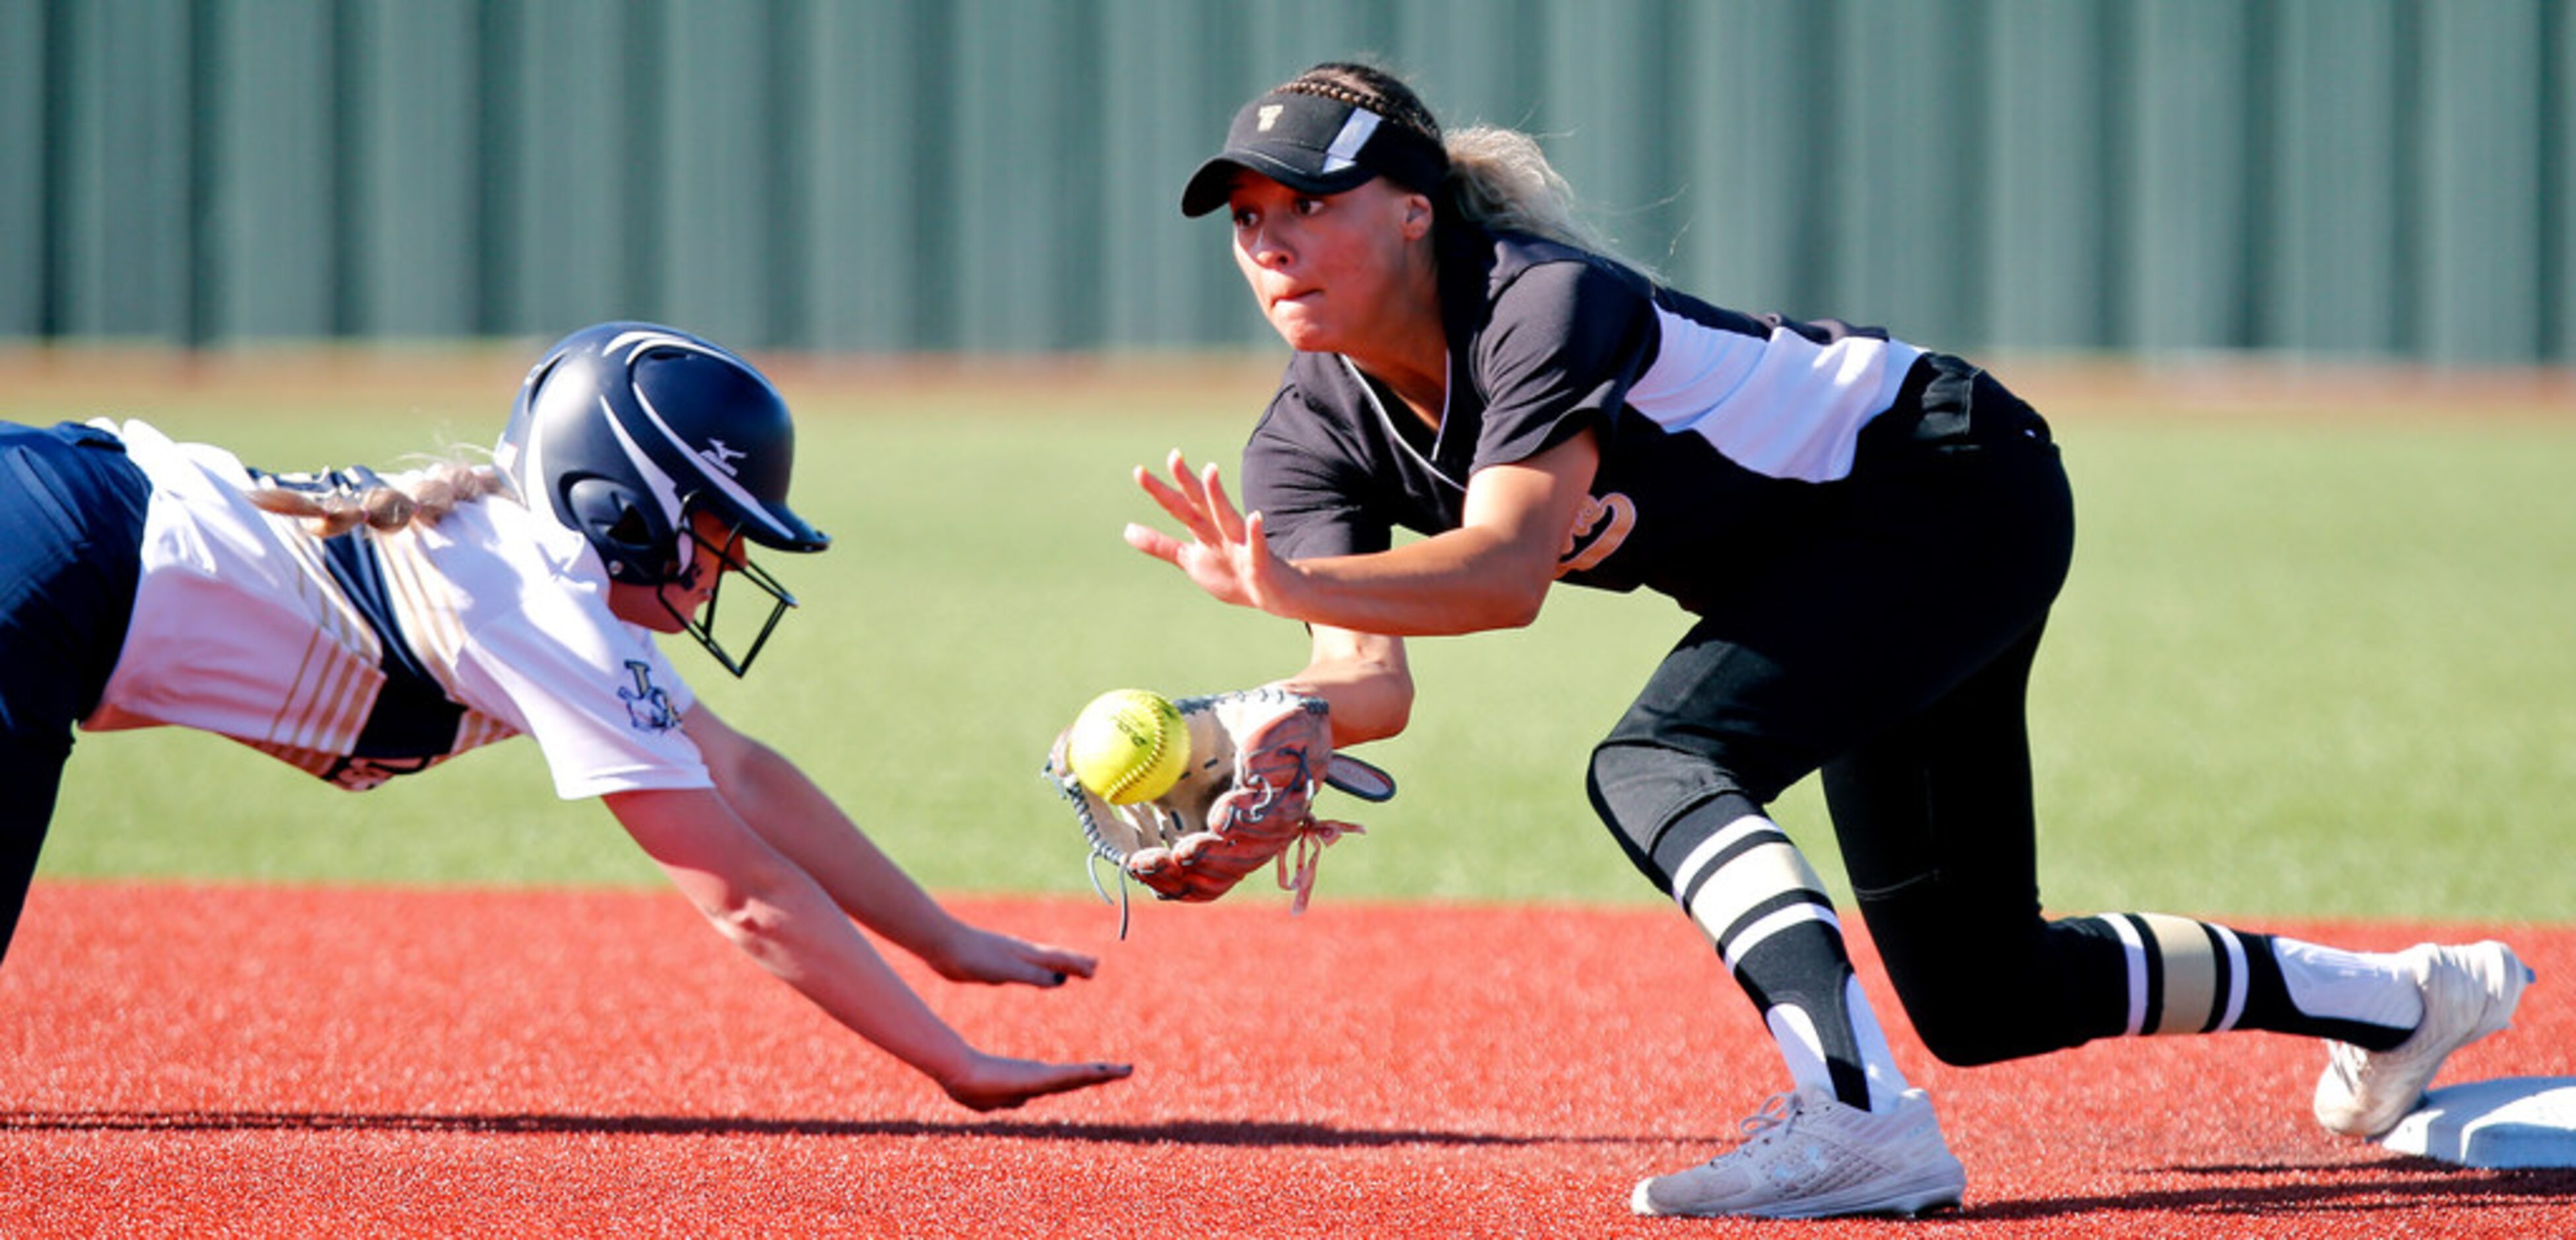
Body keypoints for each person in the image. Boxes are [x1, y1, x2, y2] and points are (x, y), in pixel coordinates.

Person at [1123, 61, 2533, 1219]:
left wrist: (1273, 596)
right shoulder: (1309, 429)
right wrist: (1263, 731)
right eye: (1246, 219)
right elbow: (1364, 677)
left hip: (1947, 479)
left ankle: (1854, 1117)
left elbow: (1500, 577)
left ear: (1417, 209)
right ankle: (2409, 1000)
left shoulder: (1539, 303)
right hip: (1838, 566)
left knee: (1657, 762)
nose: (1271, 243)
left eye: (1307, 201)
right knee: (1984, 992)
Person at [0, 322, 1130, 1113]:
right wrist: (953, 1060)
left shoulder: (541, 570)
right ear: (620, 504)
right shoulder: (546, 606)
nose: (730, 559)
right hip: (51, 565)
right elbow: (747, 894)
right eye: (719, 527)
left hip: (56, 531)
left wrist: (943, 940)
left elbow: (740, 774)